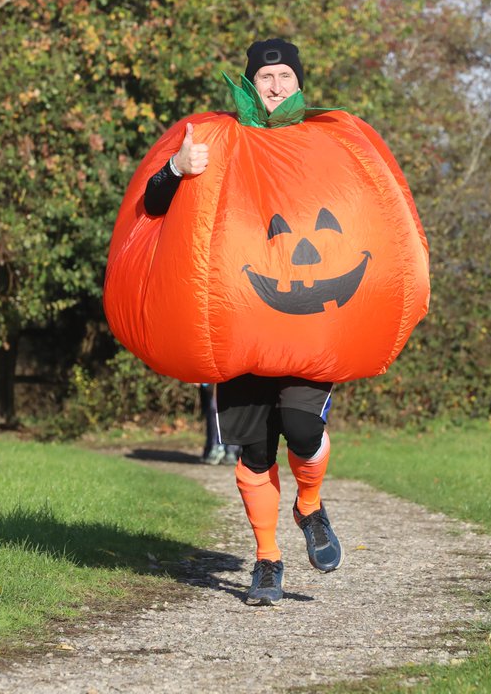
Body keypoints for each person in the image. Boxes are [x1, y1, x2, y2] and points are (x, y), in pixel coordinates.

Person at [144, 39, 342, 605]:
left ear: (299, 83)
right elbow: (154, 206)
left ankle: (310, 506)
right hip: (238, 321)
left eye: (285, 76)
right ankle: (267, 560)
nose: (276, 86)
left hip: (304, 319)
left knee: (302, 431)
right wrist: (177, 169)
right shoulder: (217, 139)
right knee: (255, 451)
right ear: (251, 83)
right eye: (265, 77)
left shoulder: (324, 143)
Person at [199, 383, 240, 465]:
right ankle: (215, 447)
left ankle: (231, 449)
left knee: (233, 410)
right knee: (214, 410)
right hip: (213, 382)